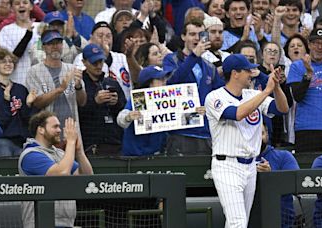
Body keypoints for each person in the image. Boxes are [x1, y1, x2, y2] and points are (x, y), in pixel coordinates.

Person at [205, 54, 288, 227]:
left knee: (239, 222)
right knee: (238, 222)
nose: (252, 73)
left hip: (251, 165)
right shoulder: (214, 97)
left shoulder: (252, 94)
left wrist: (276, 87)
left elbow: (282, 109)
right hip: (227, 165)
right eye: (247, 70)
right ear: (235, 73)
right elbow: (236, 114)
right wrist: (266, 91)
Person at [19, 111, 93, 228]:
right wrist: (71, 143)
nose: (59, 130)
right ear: (41, 130)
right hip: (40, 222)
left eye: (59, 126)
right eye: (55, 126)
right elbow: (61, 174)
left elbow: (87, 178)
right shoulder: (31, 155)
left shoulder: (60, 153)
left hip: (67, 222)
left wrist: (79, 151)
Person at [163, 19, 224, 155]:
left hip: (205, 133)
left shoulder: (210, 67)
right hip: (181, 132)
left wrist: (209, 108)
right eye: (192, 34)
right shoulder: (171, 59)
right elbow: (171, 83)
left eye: (200, 34)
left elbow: (219, 96)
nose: (197, 38)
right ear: (183, 37)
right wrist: (194, 56)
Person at [26, 30, 86, 139]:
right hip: (48, 134)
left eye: (58, 42)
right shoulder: (34, 71)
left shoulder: (71, 69)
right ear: (44, 47)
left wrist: (78, 87)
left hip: (71, 131)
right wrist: (60, 89)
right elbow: (38, 103)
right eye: (50, 43)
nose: (55, 46)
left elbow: (82, 102)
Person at [0, 48, 36, 158]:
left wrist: (27, 104)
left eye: (10, 61)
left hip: (21, 141)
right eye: (3, 61)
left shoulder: (21, 89)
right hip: (1, 141)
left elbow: (27, 120)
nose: (8, 64)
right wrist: (6, 101)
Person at [78, 44, 126, 155]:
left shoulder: (111, 82)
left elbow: (124, 110)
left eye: (101, 61)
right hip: (89, 143)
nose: (99, 66)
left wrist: (116, 103)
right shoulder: (79, 84)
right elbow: (76, 111)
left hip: (113, 142)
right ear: (84, 62)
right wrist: (95, 101)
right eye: (94, 62)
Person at [117, 65, 169, 156]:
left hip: (156, 155)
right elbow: (121, 119)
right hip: (134, 156)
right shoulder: (139, 99)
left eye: (164, 78)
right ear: (149, 83)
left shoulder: (169, 100)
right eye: (160, 79)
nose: (164, 82)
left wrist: (195, 112)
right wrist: (128, 117)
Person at [255, 124, 299, 228]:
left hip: (281, 221)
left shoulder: (284, 156)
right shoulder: (238, 161)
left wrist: (271, 176)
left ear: (267, 135)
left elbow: (295, 184)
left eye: (261, 133)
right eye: (253, 134)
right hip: (249, 220)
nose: (257, 138)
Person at [0, 0, 40, 86]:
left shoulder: (40, 27)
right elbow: (11, 59)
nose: (21, 5)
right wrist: (27, 36)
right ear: (12, 8)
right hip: (17, 82)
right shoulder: (6, 31)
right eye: (17, 3)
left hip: (39, 81)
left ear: (31, 7)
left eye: (25, 3)